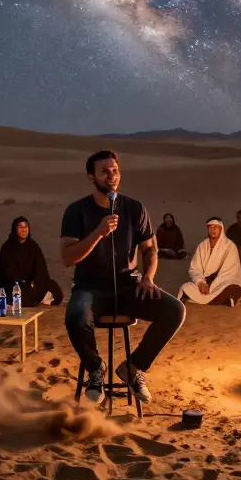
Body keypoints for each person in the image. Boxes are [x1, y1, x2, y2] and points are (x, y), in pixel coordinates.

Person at [61, 150, 185, 405]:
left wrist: (148, 277)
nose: (111, 175)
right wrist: (98, 232)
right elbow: (67, 257)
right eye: (104, 171)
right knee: (75, 317)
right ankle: (95, 368)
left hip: (129, 285)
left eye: (114, 170)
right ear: (91, 176)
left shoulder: (135, 208)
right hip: (90, 287)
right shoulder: (77, 211)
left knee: (175, 310)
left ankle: (133, 368)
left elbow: (150, 250)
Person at [0, 216, 64, 306]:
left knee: (54, 287)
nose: (24, 230)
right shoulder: (7, 247)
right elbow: (7, 272)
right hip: (14, 285)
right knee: (19, 293)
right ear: (15, 229)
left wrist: (35, 281)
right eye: (20, 227)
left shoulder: (33, 246)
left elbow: (41, 268)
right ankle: (38, 298)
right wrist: (23, 282)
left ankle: (37, 297)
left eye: (26, 227)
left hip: (32, 284)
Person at [178, 217, 241, 306]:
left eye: (215, 227)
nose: (213, 230)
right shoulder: (202, 246)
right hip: (206, 282)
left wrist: (216, 283)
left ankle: (220, 298)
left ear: (221, 229)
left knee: (237, 288)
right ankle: (223, 300)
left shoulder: (230, 246)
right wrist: (200, 282)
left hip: (224, 282)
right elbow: (194, 268)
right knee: (185, 287)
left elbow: (231, 272)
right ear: (207, 229)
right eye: (210, 227)